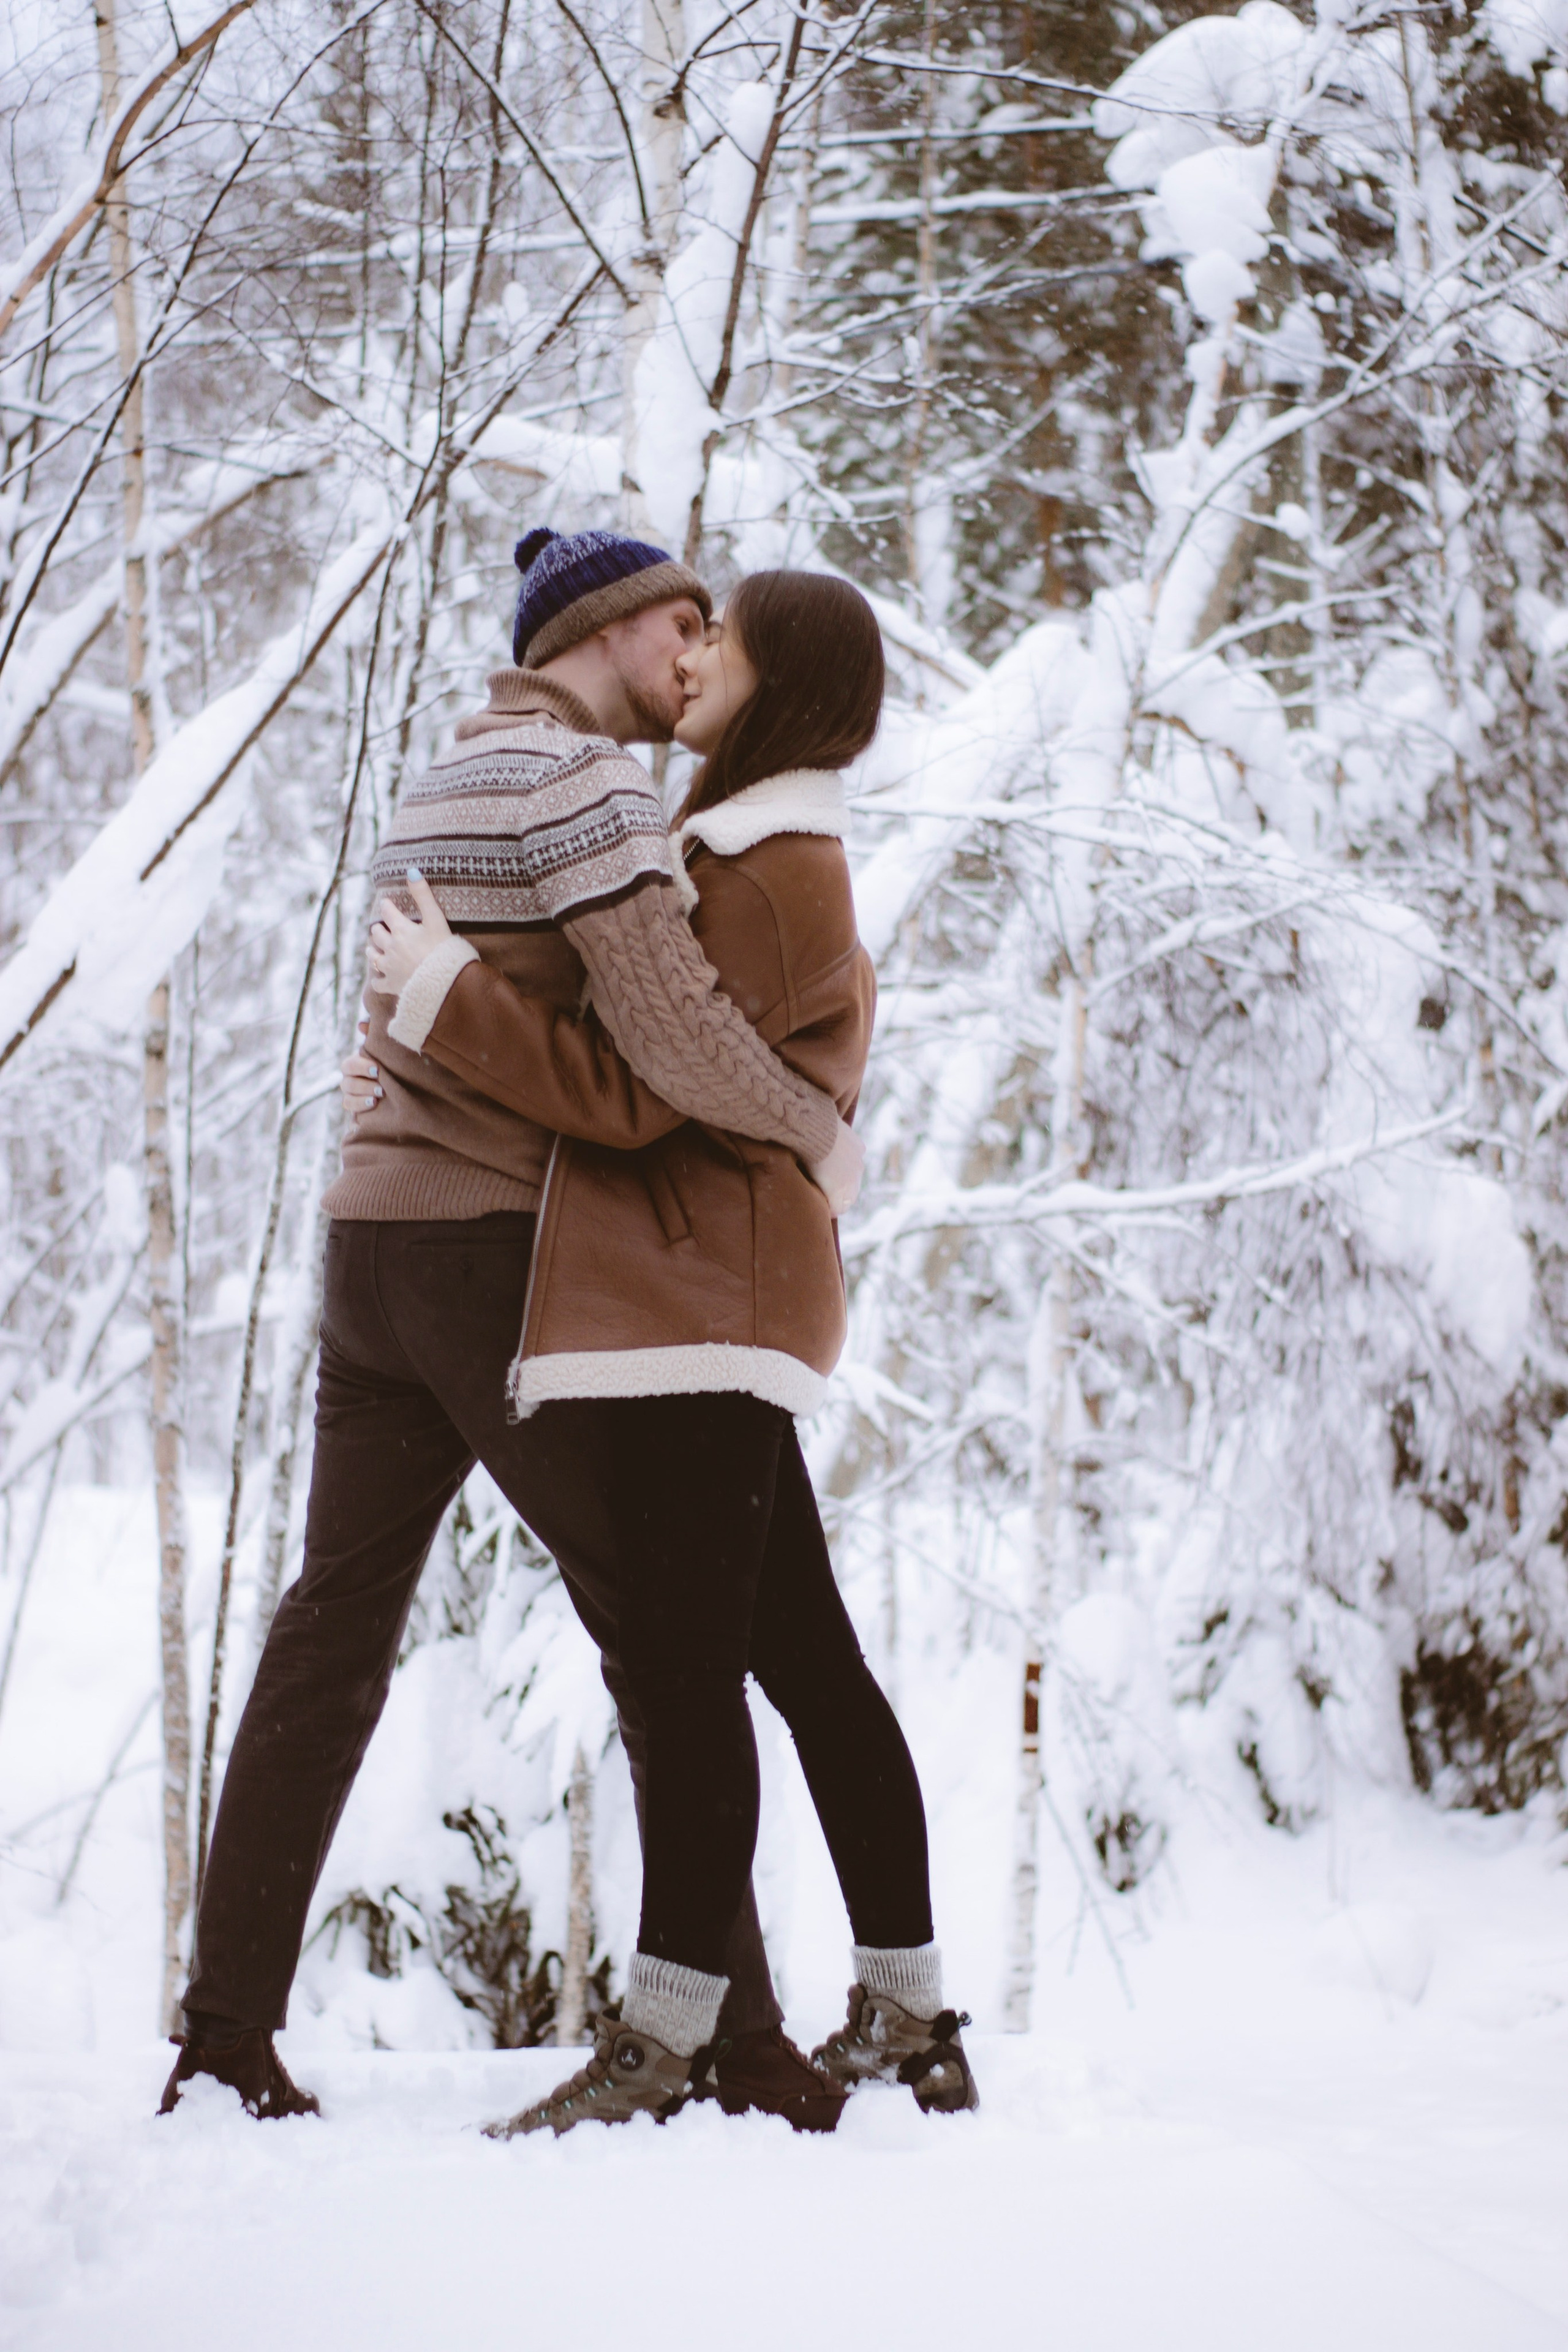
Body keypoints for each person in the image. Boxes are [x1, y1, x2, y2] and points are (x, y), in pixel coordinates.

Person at [159, 527, 863, 2130]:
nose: (697, 653)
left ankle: (222, 2033)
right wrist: (813, 1125)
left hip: (371, 1257)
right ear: (605, 628)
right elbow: (674, 1049)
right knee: (661, 1634)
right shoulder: (589, 789)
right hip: (494, 1263)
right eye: (683, 622)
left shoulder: (441, 780)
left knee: (330, 1630)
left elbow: (399, 1034)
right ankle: (738, 2036)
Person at [359, 571, 979, 2138]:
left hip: (701, 1309)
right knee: (805, 1666)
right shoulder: (753, 845)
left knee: (695, 1680)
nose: (693, 659)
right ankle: (907, 2012)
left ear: (775, 683)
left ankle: (665, 2042)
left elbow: (645, 1093)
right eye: (685, 633)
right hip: (713, 1298)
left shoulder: (763, 864)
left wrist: (450, 1002)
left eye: (725, 640)